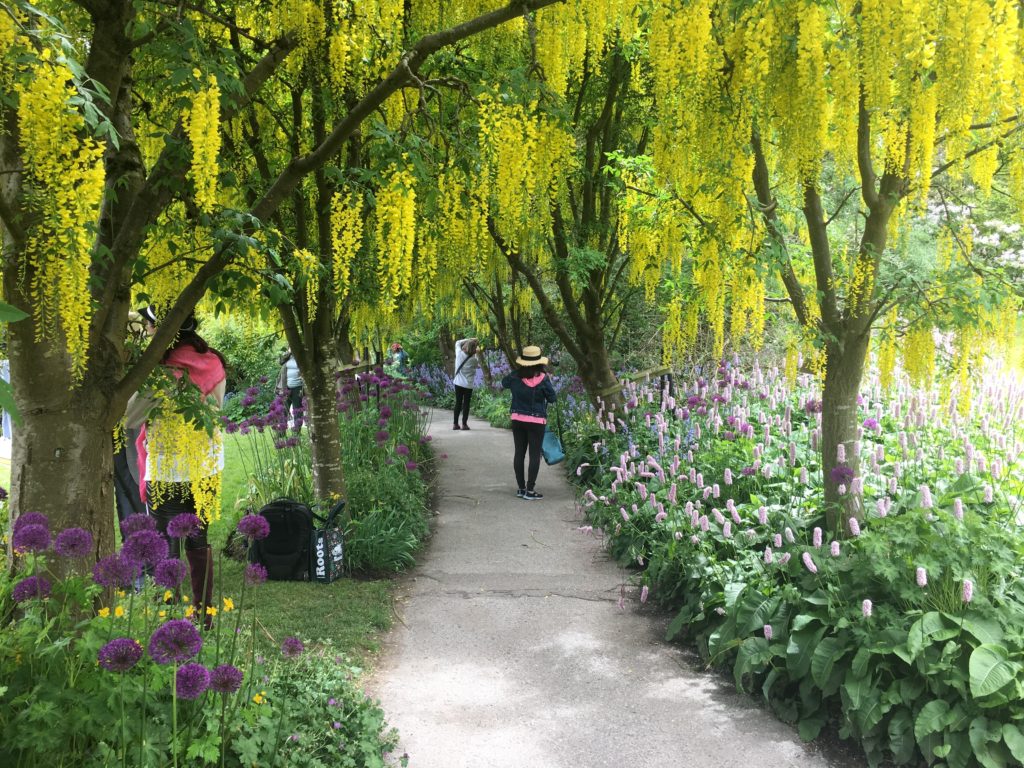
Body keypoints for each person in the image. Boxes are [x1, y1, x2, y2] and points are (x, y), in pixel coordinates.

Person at [125, 306, 226, 628]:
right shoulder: (212, 362)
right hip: (206, 467)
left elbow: (130, 417)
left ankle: (169, 616)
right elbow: (216, 410)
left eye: (152, 326)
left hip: (168, 469)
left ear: (162, 330)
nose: (150, 332)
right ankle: (203, 616)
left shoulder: (161, 371)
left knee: (166, 542)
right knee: (199, 539)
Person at [501, 345, 557, 500]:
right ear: (540, 362)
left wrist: (516, 376)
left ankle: (520, 488)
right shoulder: (543, 379)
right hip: (536, 421)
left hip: (517, 419)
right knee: (534, 455)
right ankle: (530, 490)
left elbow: (503, 383)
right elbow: (552, 398)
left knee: (519, 452)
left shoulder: (514, 376)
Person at [452, 337, 481, 430]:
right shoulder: (474, 360)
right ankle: (464, 424)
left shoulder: (459, 354)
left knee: (458, 403)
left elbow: (457, 342)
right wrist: (477, 352)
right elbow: (477, 361)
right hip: (468, 385)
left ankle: (455, 424)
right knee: (466, 404)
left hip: (458, 383)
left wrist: (471, 339)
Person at [276, 349, 304, 428]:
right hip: (286, 387)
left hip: (298, 387)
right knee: (283, 409)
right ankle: (281, 431)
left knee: (297, 409)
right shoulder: (288, 356)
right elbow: (280, 361)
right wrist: (288, 352)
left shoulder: (302, 356)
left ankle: (297, 431)